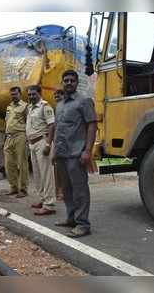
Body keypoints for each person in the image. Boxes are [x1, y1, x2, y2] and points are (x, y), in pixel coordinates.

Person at [53, 69, 97, 238]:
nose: (69, 83)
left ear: (77, 83)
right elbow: (58, 129)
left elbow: (92, 126)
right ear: (62, 83)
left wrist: (87, 151)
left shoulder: (84, 101)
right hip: (62, 154)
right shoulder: (60, 104)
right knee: (67, 189)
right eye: (66, 80)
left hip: (76, 154)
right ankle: (71, 218)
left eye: (72, 80)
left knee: (80, 190)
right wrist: (55, 152)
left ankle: (83, 224)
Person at [26, 85, 56, 215]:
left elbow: (51, 125)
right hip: (32, 144)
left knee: (46, 174)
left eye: (33, 94)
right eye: (29, 94)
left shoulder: (45, 106)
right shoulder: (30, 107)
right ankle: (43, 199)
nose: (31, 96)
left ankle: (49, 205)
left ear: (39, 93)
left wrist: (48, 145)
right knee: (37, 174)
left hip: (42, 142)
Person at [4, 86, 29, 198]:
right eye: (12, 94)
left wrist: (27, 138)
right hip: (9, 137)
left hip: (20, 136)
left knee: (22, 163)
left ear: (20, 94)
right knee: (9, 163)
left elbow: (28, 122)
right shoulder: (9, 107)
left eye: (15, 94)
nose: (13, 96)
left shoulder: (25, 106)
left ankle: (23, 189)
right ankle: (13, 187)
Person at [53, 89, 65, 201]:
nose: (56, 97)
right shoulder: (56, 108)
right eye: (55, 96)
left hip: (68, 143)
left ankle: (66, 192)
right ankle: (59, 191)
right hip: (58, 143)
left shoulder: (67, 107)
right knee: (57, 169)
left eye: (59, 95)